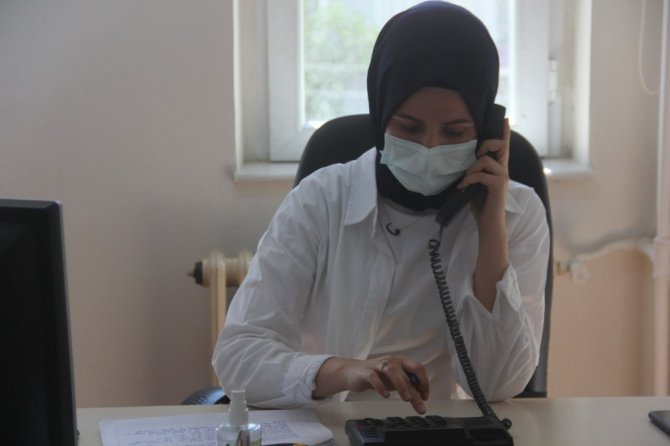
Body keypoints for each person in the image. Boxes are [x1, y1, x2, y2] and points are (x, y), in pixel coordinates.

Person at [213, 1, 549, 415]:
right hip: (328, 427)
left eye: (454, 131)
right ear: (381, 115)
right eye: (408, 127)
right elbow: (237, 357)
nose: (429, 147)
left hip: (440, 430)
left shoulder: (517, 213)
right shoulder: (321, 200)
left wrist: (491, 229)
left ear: (487, 129)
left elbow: (499, 385)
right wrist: (344, 370)